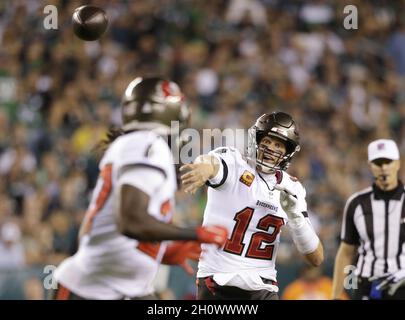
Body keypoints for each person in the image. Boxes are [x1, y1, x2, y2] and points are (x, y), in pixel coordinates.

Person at [52, 76, 228, 300]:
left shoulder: (138, 145)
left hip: (121, 289)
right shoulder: (146, 143)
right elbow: (132, 221)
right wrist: (195, 234)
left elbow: (107, 232)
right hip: (93, 291)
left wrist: (164, 250)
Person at [180, 111, 324, 300]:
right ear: (255, 140)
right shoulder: (235, 163)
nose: (271, 148)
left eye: (278, 144)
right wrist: (202, 168)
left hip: (263, 287)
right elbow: (211, 162)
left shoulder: (292, 188)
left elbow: (316, 258)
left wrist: (296, 218)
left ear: (288, 152)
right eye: (267, 141)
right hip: (219, 281)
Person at [332, 139, 405, 300]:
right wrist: (336, 296)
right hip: (367, 286)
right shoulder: (357, 203)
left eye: (388, 161)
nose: (383, 167)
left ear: (398, 164)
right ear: (370, 166)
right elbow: (346, 252)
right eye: (378, 162)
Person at [282, 264, 348, 300]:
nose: (312, 272)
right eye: (309, 268)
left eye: (314, 268)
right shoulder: (293, 289)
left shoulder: (330, 286)